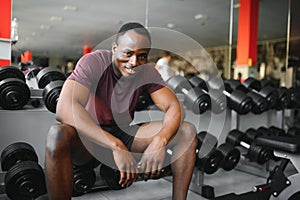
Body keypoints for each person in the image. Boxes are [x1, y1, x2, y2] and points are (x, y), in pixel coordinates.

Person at [45, 22, 197, 200]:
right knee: (57, 134)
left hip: (123, 132)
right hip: (89, 138)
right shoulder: (94, 61)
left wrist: (160, 142)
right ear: (115, 48)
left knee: (187, 131)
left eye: (142, 56)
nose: (134, 62)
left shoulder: (147, 72)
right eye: (128, 53)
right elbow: (64, 109)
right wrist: (115, 146)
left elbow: (175, 107)